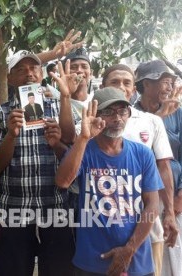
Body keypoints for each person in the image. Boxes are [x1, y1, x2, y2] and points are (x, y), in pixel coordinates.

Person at [56, 87, 163, 276]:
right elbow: (63, 182)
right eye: (108, 112)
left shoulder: (142, 153)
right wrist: (83, 138)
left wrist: (129, 249)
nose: (117, 118)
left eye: (122, 111)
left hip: (136, 259)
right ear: (94, 115)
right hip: (91, 262)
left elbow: (152, 204)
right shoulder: (84, 150)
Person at [0, 49, 78, 276]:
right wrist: (11, 134)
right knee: (13, 270)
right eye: (20, 70)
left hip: (55, 205)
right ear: (9, 78)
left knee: (58, 270)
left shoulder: (59, 108)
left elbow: (71, 150)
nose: (28, 74)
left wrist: (57, 142)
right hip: (13, 208)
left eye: (33, 68)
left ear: (41, 75)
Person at [101, 64, 179, 276]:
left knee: (148, 269)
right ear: (102, 86)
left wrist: (169, 213)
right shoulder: (92, 121)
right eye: (114, 82)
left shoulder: (152, 121)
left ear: (134, 89)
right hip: (102, 219)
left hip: (146, 217)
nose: (121, 87)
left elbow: (163, 166)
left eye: (127, 82)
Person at [134, 60, 182, 276]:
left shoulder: (178, 113)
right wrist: (158, 119)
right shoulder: (129, 115)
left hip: (174, 199)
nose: (170, 87)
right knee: (148, 261)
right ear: (145, 84)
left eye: (172, 82)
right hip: (142, 200)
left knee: (174, 261)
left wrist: (179, 198)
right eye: (165, 82)